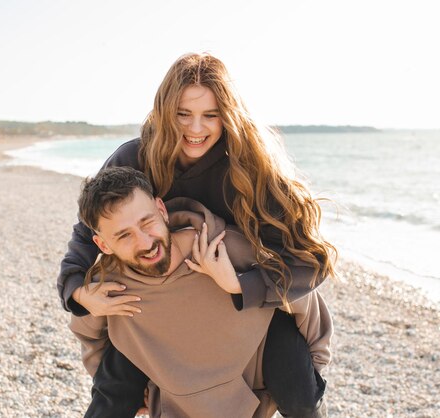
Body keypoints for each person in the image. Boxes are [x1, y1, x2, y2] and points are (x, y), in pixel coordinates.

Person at [57, 52, 337, 417]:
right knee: (112, 392)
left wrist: (242, 284)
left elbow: (313, 261)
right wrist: (77, 290)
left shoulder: (251, 169)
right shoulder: (136, 157)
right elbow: (88, 229)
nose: (195, 129)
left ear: (228, 114)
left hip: (248, 312)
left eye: (210, 115)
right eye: (183, 114)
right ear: (164, 112)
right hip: (162, 310)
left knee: (299, 396)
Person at [70, 166, 333, 418]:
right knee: (116, 371)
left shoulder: (222, 248)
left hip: (254, 369)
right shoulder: (107, 286)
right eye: (123, 235)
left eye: (146, 222)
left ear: (161, 210)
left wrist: (313, 368)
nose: (145, 242)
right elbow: (90, 337)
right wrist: (138, 390)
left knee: (303, 400)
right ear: (102, 244)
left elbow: (297, 296)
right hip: (178, 385)